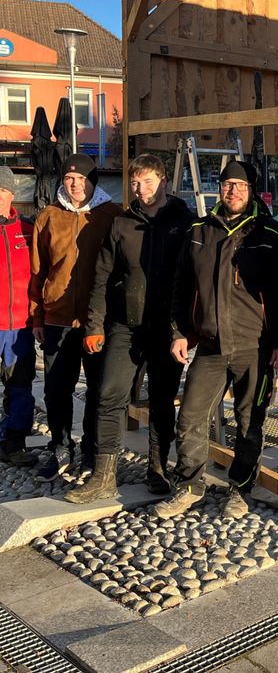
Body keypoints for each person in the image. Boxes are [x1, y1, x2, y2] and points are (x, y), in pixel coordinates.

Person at [153, 160, 278, 520]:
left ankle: (241, 488)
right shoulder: (199, 231)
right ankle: (189, 485)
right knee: (189, 417)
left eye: (240, 185)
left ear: (251, 191)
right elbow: (181, 287)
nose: (232, 191)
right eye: (227, 184)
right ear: (218, 189)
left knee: (249, 421)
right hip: (210, 345)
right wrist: (178, 333)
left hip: (256, 346)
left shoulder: (271, 233)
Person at [65, 154, 194, 503]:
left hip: (166, 329)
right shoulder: (122, 223)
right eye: (135, 183)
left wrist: (184, 329)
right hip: (125, 325)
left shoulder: (183, 222)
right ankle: (104, 474)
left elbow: (193, 278)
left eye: (148, 181)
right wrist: (95, 324)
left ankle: (158, 467)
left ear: (163, 181)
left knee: (163, 400)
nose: (141, 189)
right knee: (109, 393)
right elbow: (102, 277)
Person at [29, 154, 122, 482]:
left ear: (92, 181)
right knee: (56, 388)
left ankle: (92, 450)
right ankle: (61, 446)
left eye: (81, 178)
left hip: (97, 320)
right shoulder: (49, 216)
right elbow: (37, 272)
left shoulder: (111, 214)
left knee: (98, 389)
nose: (74, 184)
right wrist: (37, 316)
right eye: (69, 178)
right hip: (58, 318)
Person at [0, 168, 37, 467]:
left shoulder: (28, 229)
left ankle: (14, 443)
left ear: (11, 194)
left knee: (20, 386)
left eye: (1, 190)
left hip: (19, 327)